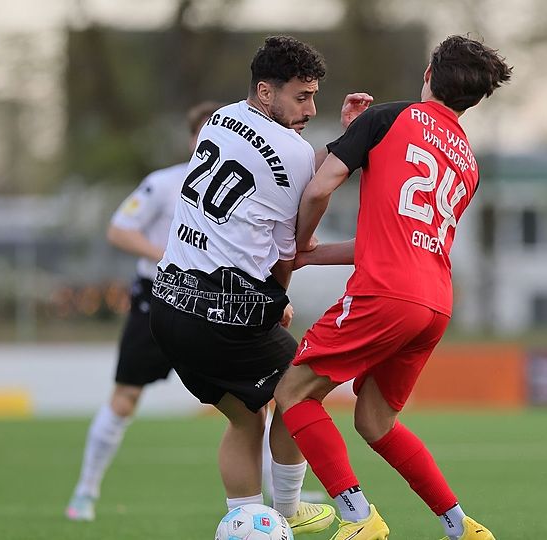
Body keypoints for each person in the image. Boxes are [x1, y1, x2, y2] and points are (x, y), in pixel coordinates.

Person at [273, 35, 512, 540]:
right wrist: (311, 256)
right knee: (376, 421)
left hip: (385, 293)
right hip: (435, 302)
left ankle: (359, 517)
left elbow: (318, 187)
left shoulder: (389, 118)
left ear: (428, 74)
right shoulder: (467, 162)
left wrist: (298, 242)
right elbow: (392, 237)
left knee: (293, 392)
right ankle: (461, 527)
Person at [148, 35, 373, 536]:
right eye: (302, 96)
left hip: (168, 302)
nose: (310, 109)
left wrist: (342, 141)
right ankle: (287, 509)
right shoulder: (293, 151)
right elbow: (289, 247)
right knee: (299, 392)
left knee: (246, 416)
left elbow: (276, 168)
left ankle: (244, 522)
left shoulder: (220, 118)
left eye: (314, 96)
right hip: (221, 310)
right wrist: (276, 302)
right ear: (266, 91)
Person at [66, 100, 220, 522]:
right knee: (126, 396)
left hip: (212, 302)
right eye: (204, 133)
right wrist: (168, 255)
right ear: (192, 140)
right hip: (156, 298)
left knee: (252, 401)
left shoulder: (240, 188)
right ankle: (85, 491)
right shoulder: (163, 184)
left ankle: (282, 494)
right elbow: (119, 229)